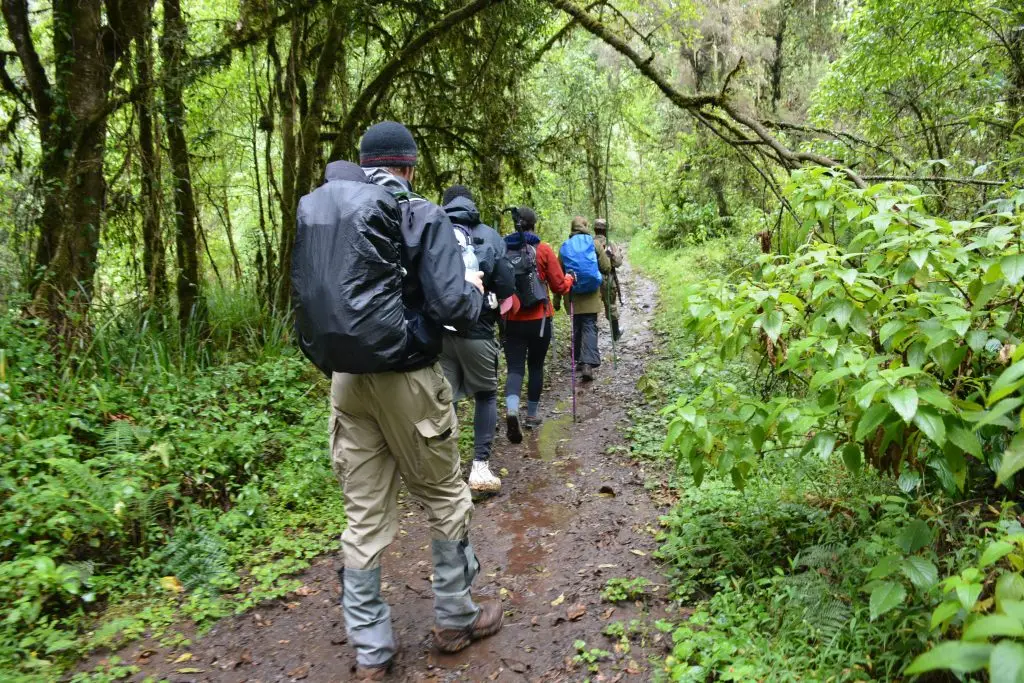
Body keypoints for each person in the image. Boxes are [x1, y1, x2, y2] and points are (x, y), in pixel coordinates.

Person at [316, 122, 502, 681]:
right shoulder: (421, 212)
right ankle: (454, 620)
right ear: (410, 166)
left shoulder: (332, 214)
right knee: (445, 496)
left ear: (364, 162)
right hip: (407, 379)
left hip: (346, 381)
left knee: (364, 514)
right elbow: (451, 302)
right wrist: (475, 295)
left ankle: (372, 649)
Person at [439, 185, 515, 494]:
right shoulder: (491, 236)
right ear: (473, 205)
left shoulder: (432, 230)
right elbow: (507, 284)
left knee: (447, 400)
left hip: (441, 334)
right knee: (485, 394)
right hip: (479, 330)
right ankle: (480, 469)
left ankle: (448, 472)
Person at [502, 207, 574, 443]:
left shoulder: (503, 248)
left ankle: (512, 410)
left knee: (514, 369)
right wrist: (570, 279)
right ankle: (532, 415)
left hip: (511, 320)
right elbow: (558, 286)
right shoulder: (542, 250)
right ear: (534, 225)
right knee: (535, 366)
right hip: (540, 320)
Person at [554, 216, 611, 382]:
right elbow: (606, 267)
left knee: (577, 325)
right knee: (590, 326)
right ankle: (588, 363)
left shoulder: (564, 247)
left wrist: (556, 300)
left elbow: (558, 276)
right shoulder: (594, 244)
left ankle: (579, 359)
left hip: (572, 294)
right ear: (586, 227)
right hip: (592, 293)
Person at [594, 218, 625, 341]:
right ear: (606, 230)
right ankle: (615, 333)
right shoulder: (609, 244)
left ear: (594, 230)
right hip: (608, 279)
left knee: (592, 308)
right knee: (611, 306)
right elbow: (617, 263)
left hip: (593, 279)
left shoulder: (590, 242)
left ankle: (592, 337)